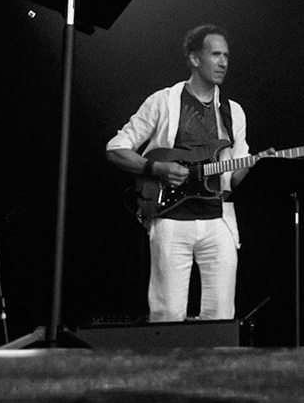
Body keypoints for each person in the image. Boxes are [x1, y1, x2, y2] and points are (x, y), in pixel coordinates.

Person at [104, 25, 250, 322]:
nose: (223, 62)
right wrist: (155, 167)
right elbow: (116, 147)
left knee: (221, 314)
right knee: (167, 313)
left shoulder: (233, 111)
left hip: (218, 221)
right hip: (171, 219)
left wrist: (254, 163)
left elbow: (234, 178)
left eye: (226, 56)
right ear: (195, 59)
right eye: (215, 54)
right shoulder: (163, 101)